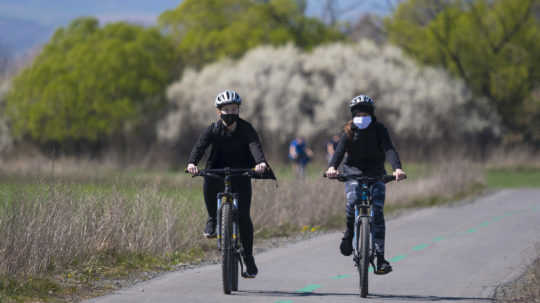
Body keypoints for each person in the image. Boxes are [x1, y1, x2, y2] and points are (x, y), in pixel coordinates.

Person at [186, 89, 275, 278]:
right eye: (226, 110)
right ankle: (212, 219)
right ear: (219, 112)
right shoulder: (212, 129)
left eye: (234, 109)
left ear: (238, 110)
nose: (231, 113)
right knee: (208, 182)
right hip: (216, 170)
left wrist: (260, 163)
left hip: (242, 172)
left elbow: (254, 146)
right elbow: (200, 147)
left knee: (243, 216)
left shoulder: (246, 128)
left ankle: (249, 258)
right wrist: (192, 163)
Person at [325, 95, 406, 275]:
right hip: (352, 174)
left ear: (371, 113)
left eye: (365, 111)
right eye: (358, 111)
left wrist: (397, 169)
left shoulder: (379, 129)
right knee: (352, 202)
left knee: (377, 212)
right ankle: (349, 234)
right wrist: (331, 167)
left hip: (376, 174)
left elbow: (389, 149)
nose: (362, 115)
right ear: (353, 114)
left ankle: (380, 258)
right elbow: (339, 152)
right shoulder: (349, 130)